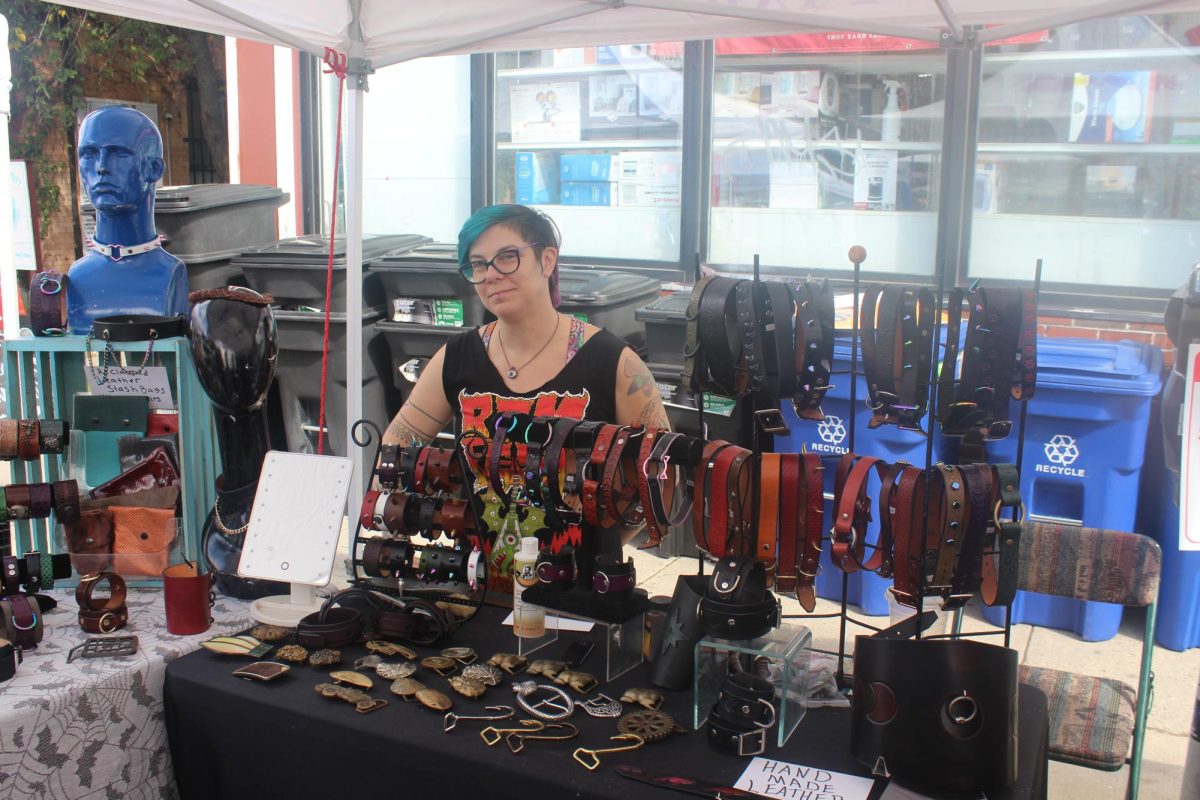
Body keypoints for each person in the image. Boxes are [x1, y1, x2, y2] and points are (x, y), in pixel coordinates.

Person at [382, 204, 670, 591]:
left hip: (579, 588)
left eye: (507, 257)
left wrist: (603, 543)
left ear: (546, 258)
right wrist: (431, 510)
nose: (491, 276)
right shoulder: (456, 358)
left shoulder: (613, 363)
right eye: (478, 265)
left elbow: (663, 475)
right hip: (478, 586)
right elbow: (396, 447)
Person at [67, 105, 189, 333]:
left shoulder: (170, 273)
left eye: (119, 153)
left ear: (154, 168)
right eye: (89, 154)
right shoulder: (76, 277)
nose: (102, 167)